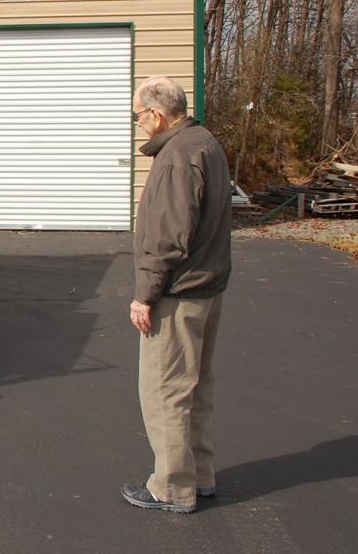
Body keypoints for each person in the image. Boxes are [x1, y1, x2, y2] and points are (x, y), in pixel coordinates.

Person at [121, 76, 232, 514]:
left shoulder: (176, 158)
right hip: (206, 288)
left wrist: (144, 295)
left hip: (177, 292)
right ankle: (200, 475)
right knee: (195, 387)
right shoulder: (206, 143)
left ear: (157, 114)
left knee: (165, 390)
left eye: (138, 116)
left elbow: (168, 237)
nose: (138, 124)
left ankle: (170, 487)